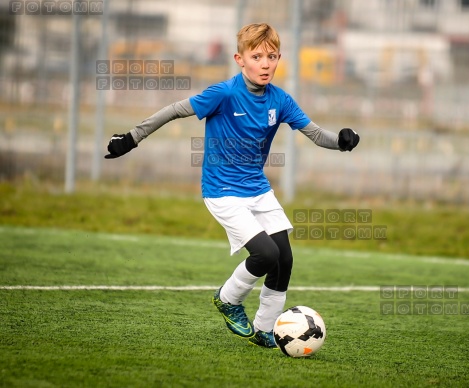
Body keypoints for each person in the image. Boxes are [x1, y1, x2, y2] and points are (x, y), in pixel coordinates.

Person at [105, 23, 360, 348]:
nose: (265, 63)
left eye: (271, 56)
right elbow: (173, 110)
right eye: (256, 56)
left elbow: (314, 133)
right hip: (222, 192)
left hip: (258, 189)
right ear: (240, 59)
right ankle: (228, 299)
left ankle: (265, 329)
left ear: (279, 58)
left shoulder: (280, 100)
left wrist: (341, 141)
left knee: (284, 259)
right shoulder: (224, 94)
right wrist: (131, 138)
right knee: (265, 254)